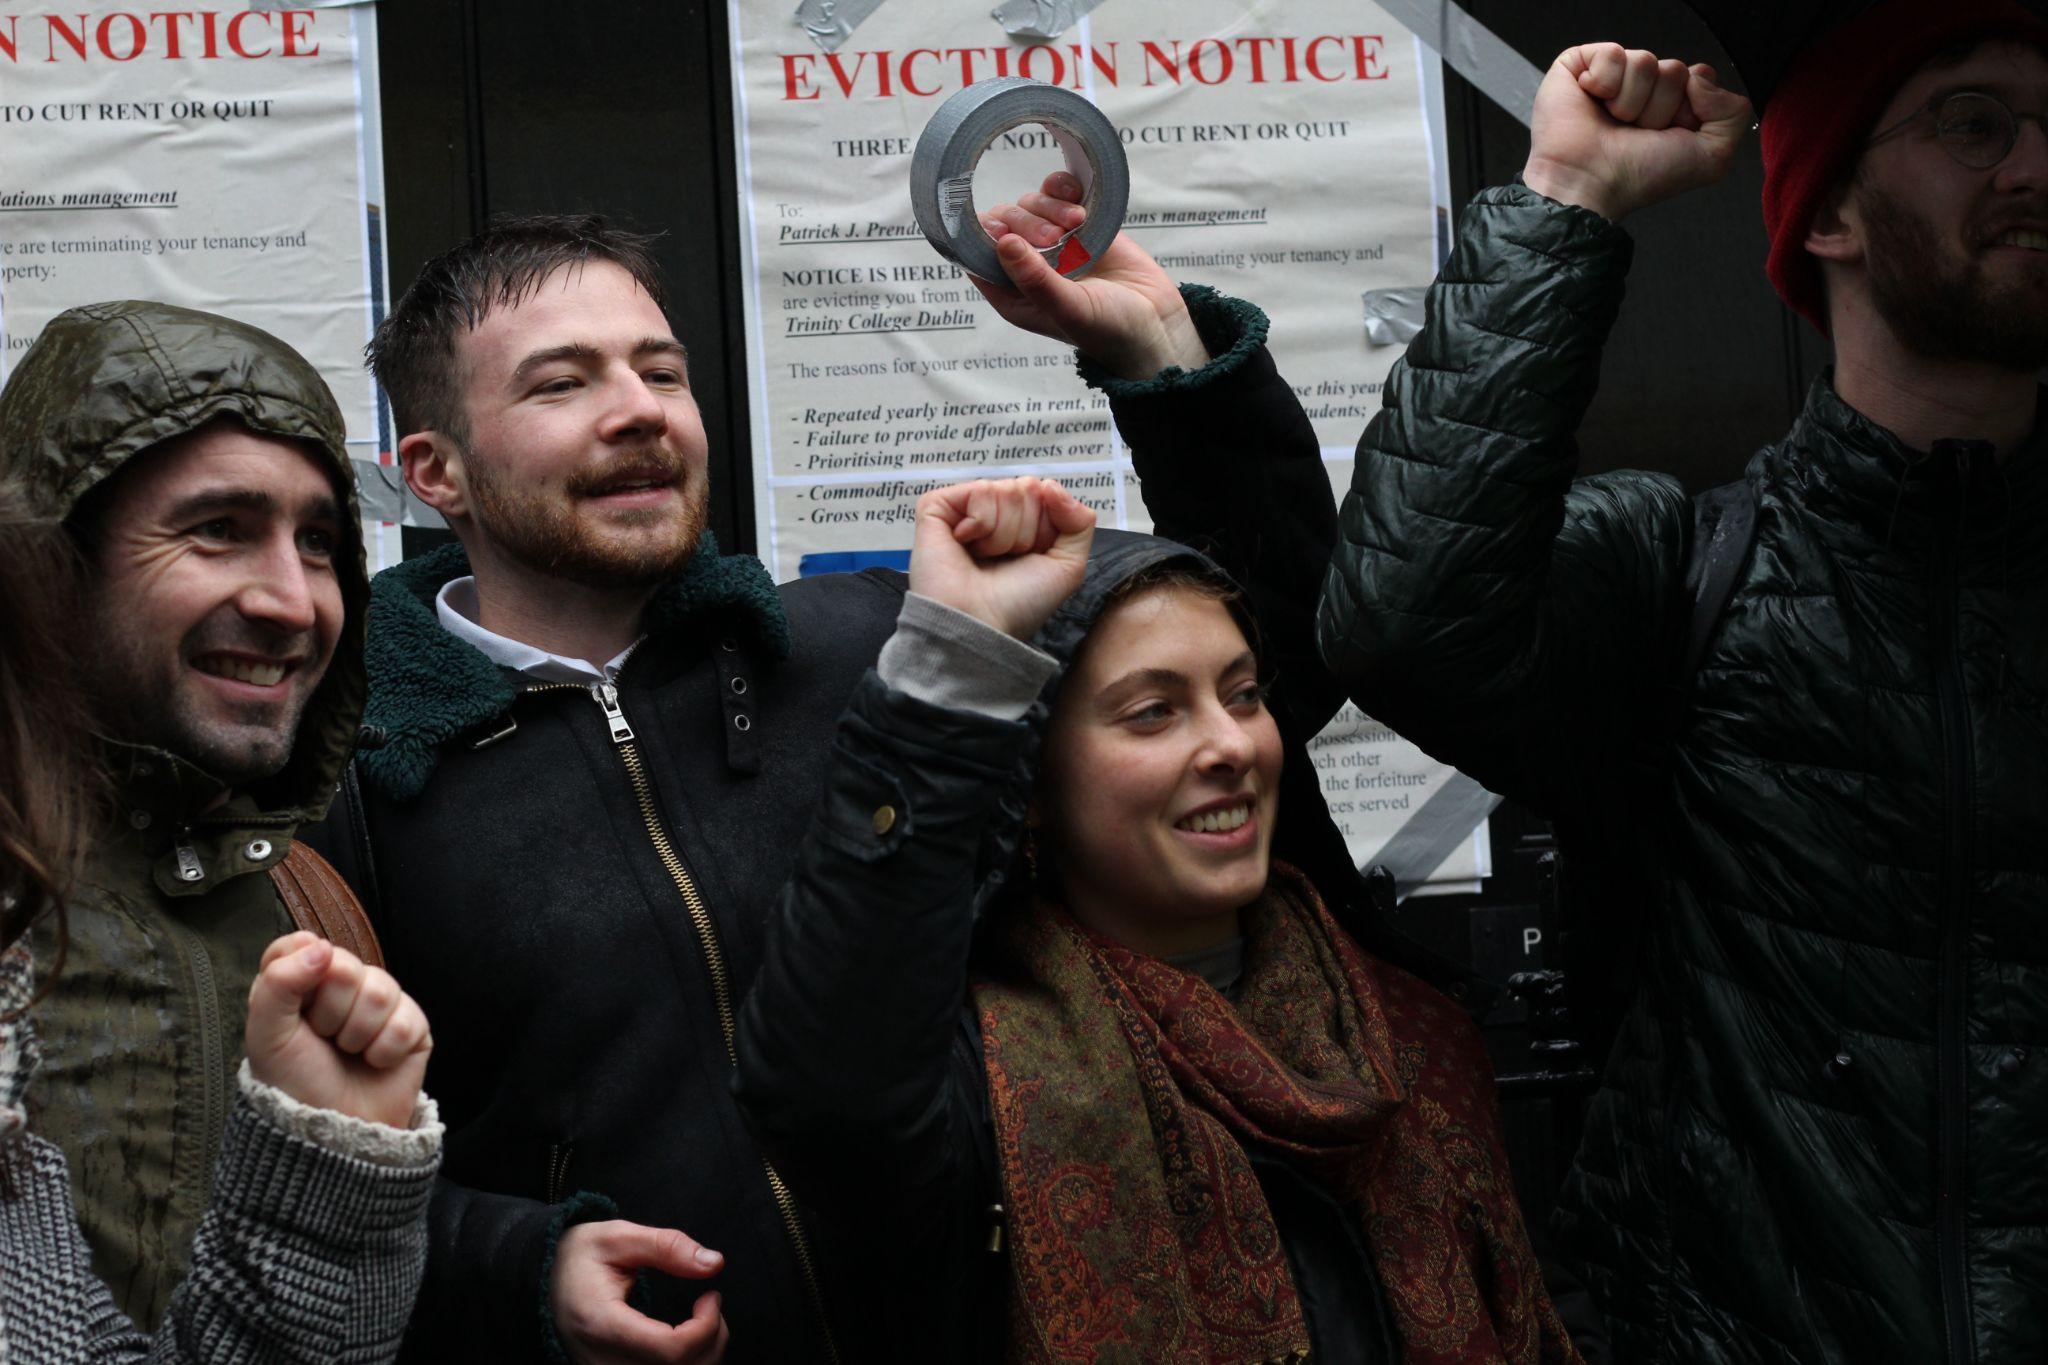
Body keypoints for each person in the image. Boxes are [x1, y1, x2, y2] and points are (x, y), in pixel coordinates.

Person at [302, 209, 1431, 1364]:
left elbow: (1255, 648)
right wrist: (520, 1269)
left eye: (661, 371)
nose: (639, 409)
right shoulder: (352, 786)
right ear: (435, 471)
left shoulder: (883, 650)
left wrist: (1160, 356)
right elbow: (298, 1183)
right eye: (561, 383)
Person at [1304, 1, 2048, 1360]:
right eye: (1971, 123)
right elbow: (1399, 621)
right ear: (1827, 212)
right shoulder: (1684, 574)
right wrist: (1565, 196)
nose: (2035, 165)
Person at [731, 470, 1583, 1365]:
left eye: (1243, 694)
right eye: (1153, 713)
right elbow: (820, 1096)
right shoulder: (978, 1092)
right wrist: (956, 662)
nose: (1230, 743)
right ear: (1034, 788)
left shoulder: (1413, 1037)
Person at [0, 481, 440, 1361]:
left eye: (320, 542)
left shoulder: (308, 898)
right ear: (59, 566)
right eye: (216, 529)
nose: (291, 600)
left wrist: (328, 1169)